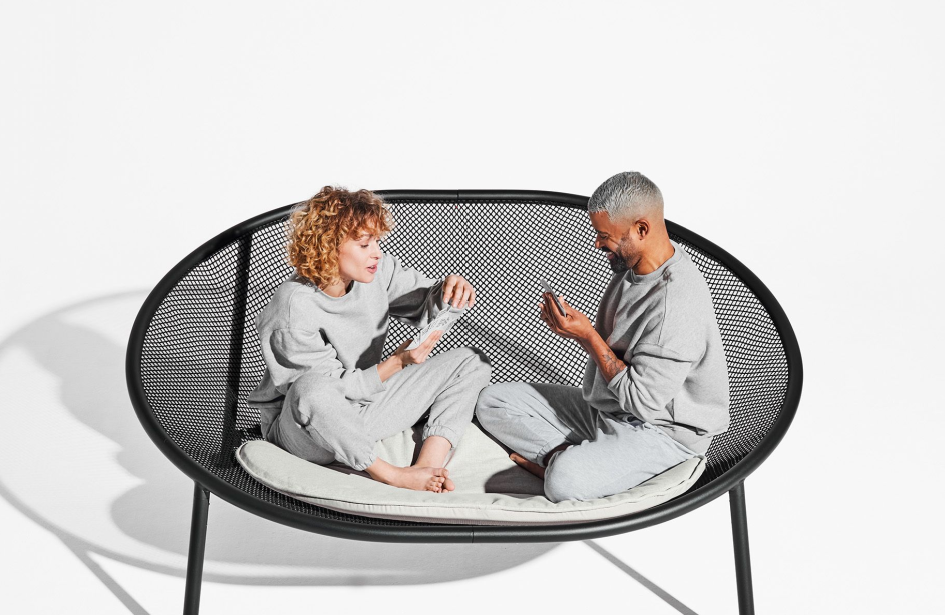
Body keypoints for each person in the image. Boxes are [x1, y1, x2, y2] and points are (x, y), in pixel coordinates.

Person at [475, 171, 729, 501]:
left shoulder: (675, 304)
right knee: (492, 401)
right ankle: (563, 458)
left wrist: (588, 337)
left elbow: (642, 401)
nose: (597, 244)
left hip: (662, 431)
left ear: (641, 229)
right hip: (610, 409)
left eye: (604, 236)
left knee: (564, 483)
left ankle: (565, 466)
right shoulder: (637, 266)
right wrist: (580, 333)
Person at [249, 185, 490, 493]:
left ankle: (428, 465)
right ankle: (391, 475)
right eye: (364, 244)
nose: (376, 252)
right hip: (307, 431)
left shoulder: (378, 272)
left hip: (366, 408)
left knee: (471, 361)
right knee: (311, 389)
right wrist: (396, 363)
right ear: (327, 246)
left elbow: (426, 303)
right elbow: (319, 395)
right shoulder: (293, 306)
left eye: (376, 240)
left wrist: (448, 291)